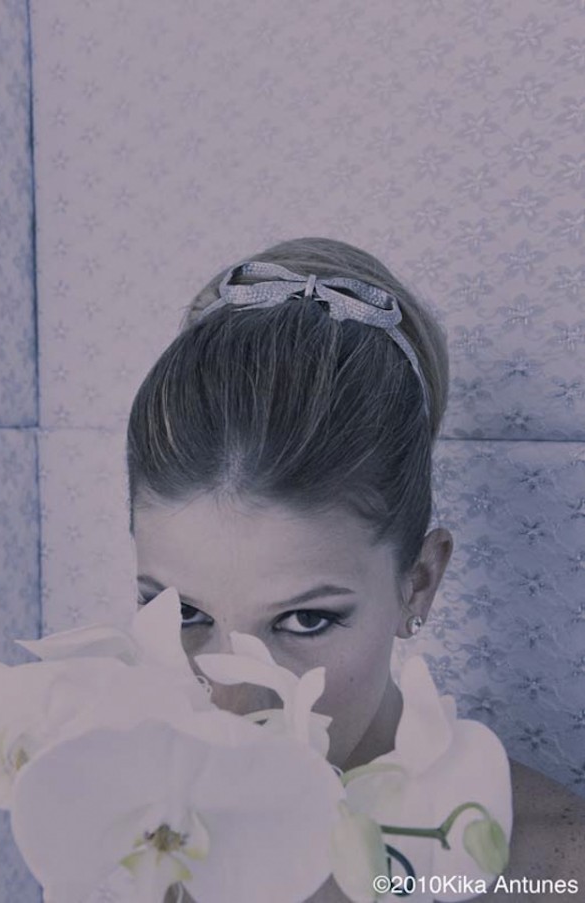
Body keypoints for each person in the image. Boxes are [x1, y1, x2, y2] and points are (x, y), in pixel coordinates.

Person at [126, 238, 585, 903]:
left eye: (305, 620)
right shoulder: (127, 843)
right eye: (183, 612)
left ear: (418, 582)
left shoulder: (557, 867)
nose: (233, 708)